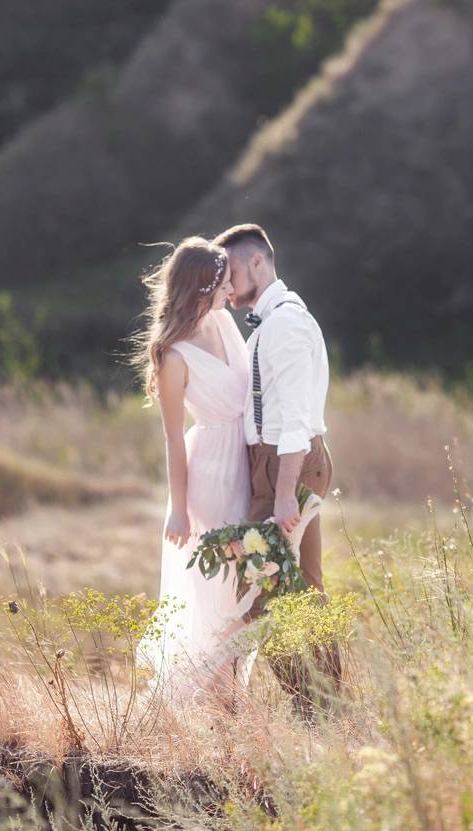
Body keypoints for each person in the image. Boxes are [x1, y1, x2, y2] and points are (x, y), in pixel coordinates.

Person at [214, 223, 340, 715]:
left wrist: (283, 492)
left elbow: (291, 418)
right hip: (284, 463)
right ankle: (323, 706)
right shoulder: (274, 323)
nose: (225, 287)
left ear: (256, 264)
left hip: (286, 464)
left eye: (229, 273)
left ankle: (313, 708)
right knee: (301, 587)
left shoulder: (285, 324)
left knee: (262, 591)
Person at [131, 237, 259, 702]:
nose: (232, 292)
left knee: (250, 584)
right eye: (225, 284)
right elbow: (171, 437)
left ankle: (231, 699)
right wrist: (179, 510)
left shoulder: (225, 323)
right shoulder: (174, 355)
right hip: (211, 473)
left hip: (247, 461)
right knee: (221, 593)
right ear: (202, 288)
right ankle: (223, 704)